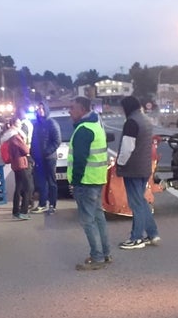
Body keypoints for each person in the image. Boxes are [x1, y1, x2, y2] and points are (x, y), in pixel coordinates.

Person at [67, 96, 111, 270]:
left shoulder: (83, 129)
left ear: (83, 110)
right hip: (97, 179)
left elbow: (79, 160)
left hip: (85, 182)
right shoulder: (96, 125)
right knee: (99, 218)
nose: (70, 111)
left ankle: (97, 257)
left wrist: (74, 183)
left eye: (73, 108)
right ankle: (105, 253)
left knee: (88, 221)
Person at [116, 96, 160, 249]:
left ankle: (136, 238)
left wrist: (119, 164)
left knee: (136, 204)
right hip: (144, 167)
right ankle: (152, 234)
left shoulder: (131, 122)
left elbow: (128, 147)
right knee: (141, 201)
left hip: (132, 168)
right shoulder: (146, 120)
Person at [30, 102, 61, 214]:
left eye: (43, 108)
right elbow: (33, 141)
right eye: (39, 108)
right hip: (39, 159)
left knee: (51, 182)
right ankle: (42, 204)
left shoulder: (51, 123)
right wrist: (33, 153)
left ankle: (52, 205)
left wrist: (46, 152)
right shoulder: (37, 124)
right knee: (41, 182)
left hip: (49, 158)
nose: (40, 110)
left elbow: (57, 141)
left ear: (46, 110)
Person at [0, 117, 34, 220]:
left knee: (18, 188)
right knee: (28, 187)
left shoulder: (7, 136)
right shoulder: (15, 136)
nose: (20, 126)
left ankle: (15, 210)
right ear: (13, 124)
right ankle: (23, 211)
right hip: (22, 163)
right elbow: (26, 149)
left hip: (15, 164)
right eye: (18, 124)